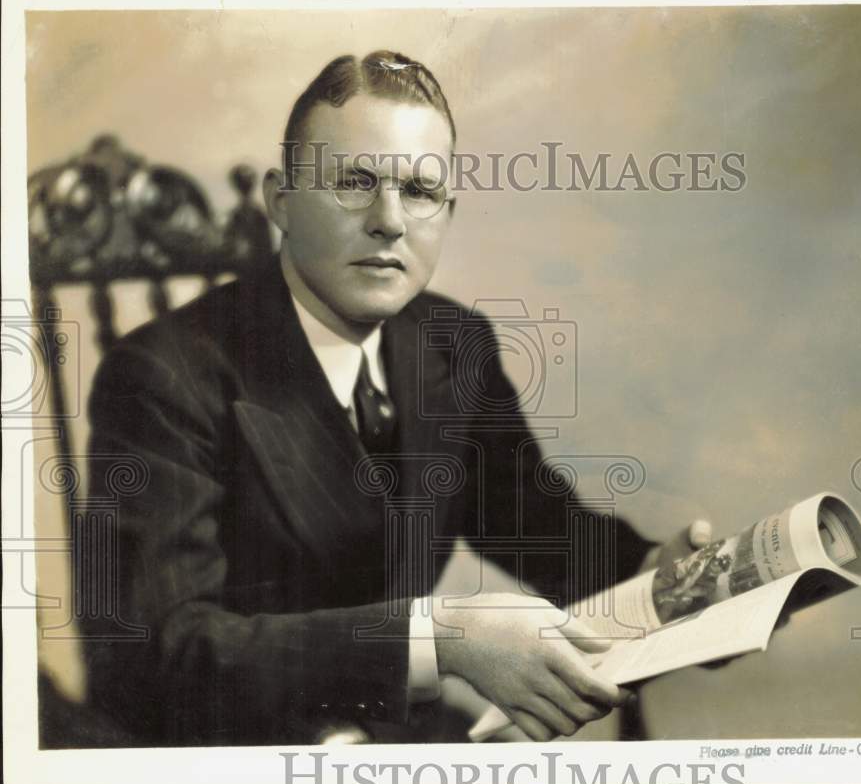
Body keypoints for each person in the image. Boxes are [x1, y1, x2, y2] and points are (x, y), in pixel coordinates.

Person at [81, 50, 711, 746]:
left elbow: (538, 524)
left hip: (396, 740)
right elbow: (163, 651)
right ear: (280, 200)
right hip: (230, 753)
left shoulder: (450, 341)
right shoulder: (162, 376)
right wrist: (439, 636)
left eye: (419, 190)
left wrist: (660, 573)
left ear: (447, 211)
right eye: (354, 181)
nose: (389, 220)